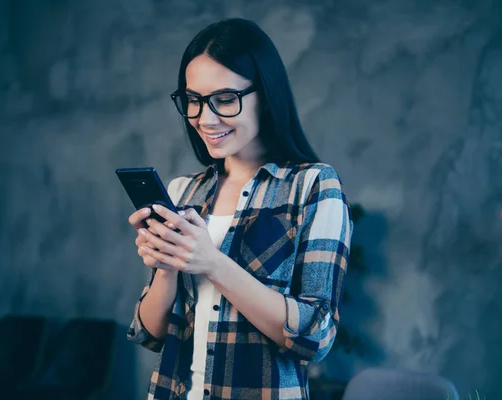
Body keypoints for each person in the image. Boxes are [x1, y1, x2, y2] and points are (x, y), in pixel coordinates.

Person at [126, 18, 353, 400]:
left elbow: (316, 336)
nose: (205, 118)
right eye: (193, 100)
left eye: (225, 100)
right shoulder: (184, 192)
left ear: (265, 95)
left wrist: (211, 262)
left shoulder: (313, 187)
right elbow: (149, 333)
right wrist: (166, 268)